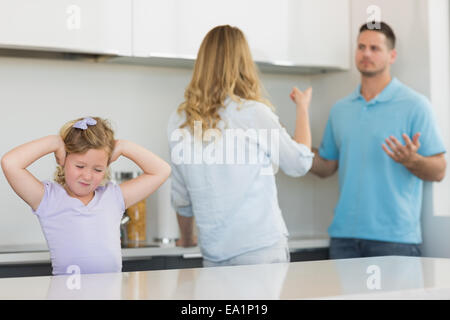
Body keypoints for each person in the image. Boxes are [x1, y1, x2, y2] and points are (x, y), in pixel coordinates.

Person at [167, 25, 314, 267]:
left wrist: (185, 239)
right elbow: (299, 163)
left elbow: (182, 197)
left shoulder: (179, 120)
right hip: (259, 250)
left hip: (213, 252)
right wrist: (303, 108)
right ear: (244, 63)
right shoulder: (252, 113)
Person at [311, 21, 446, 259]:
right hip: (344, 239)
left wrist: (412, 160)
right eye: (361, 47)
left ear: (392, 55)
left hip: (395, 241)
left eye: (375, 48)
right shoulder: (340, 109)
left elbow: (439, 171)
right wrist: (289, 147)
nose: (366, 53)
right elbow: (326, 166)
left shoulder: (415, 105)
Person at [1, 116, 171, 275]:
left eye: (97, 169)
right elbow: (10, 163)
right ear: (63, 160)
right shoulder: (48, 198)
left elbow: (162, 171)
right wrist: (54, 142)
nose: (88, 176)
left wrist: (124, 146)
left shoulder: (113, 197)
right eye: (80, 166)